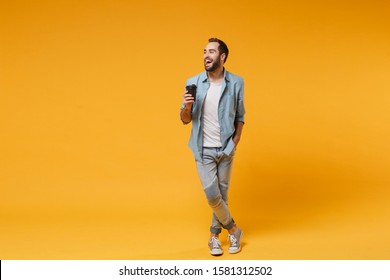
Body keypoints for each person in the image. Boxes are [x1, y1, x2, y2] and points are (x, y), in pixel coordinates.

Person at [180, 38, 245, 255]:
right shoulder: (194, 82)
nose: (206, 56)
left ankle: (215, 238)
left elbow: (240, 115)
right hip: (203, 149)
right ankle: (234, 230)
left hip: (226, 148)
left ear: (222, 56)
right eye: (204, 52)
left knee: (222, 195)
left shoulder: (236, 82)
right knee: (212, 195)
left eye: (211, 52)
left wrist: (234, 142)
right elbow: (185, 118)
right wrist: (187, 106)